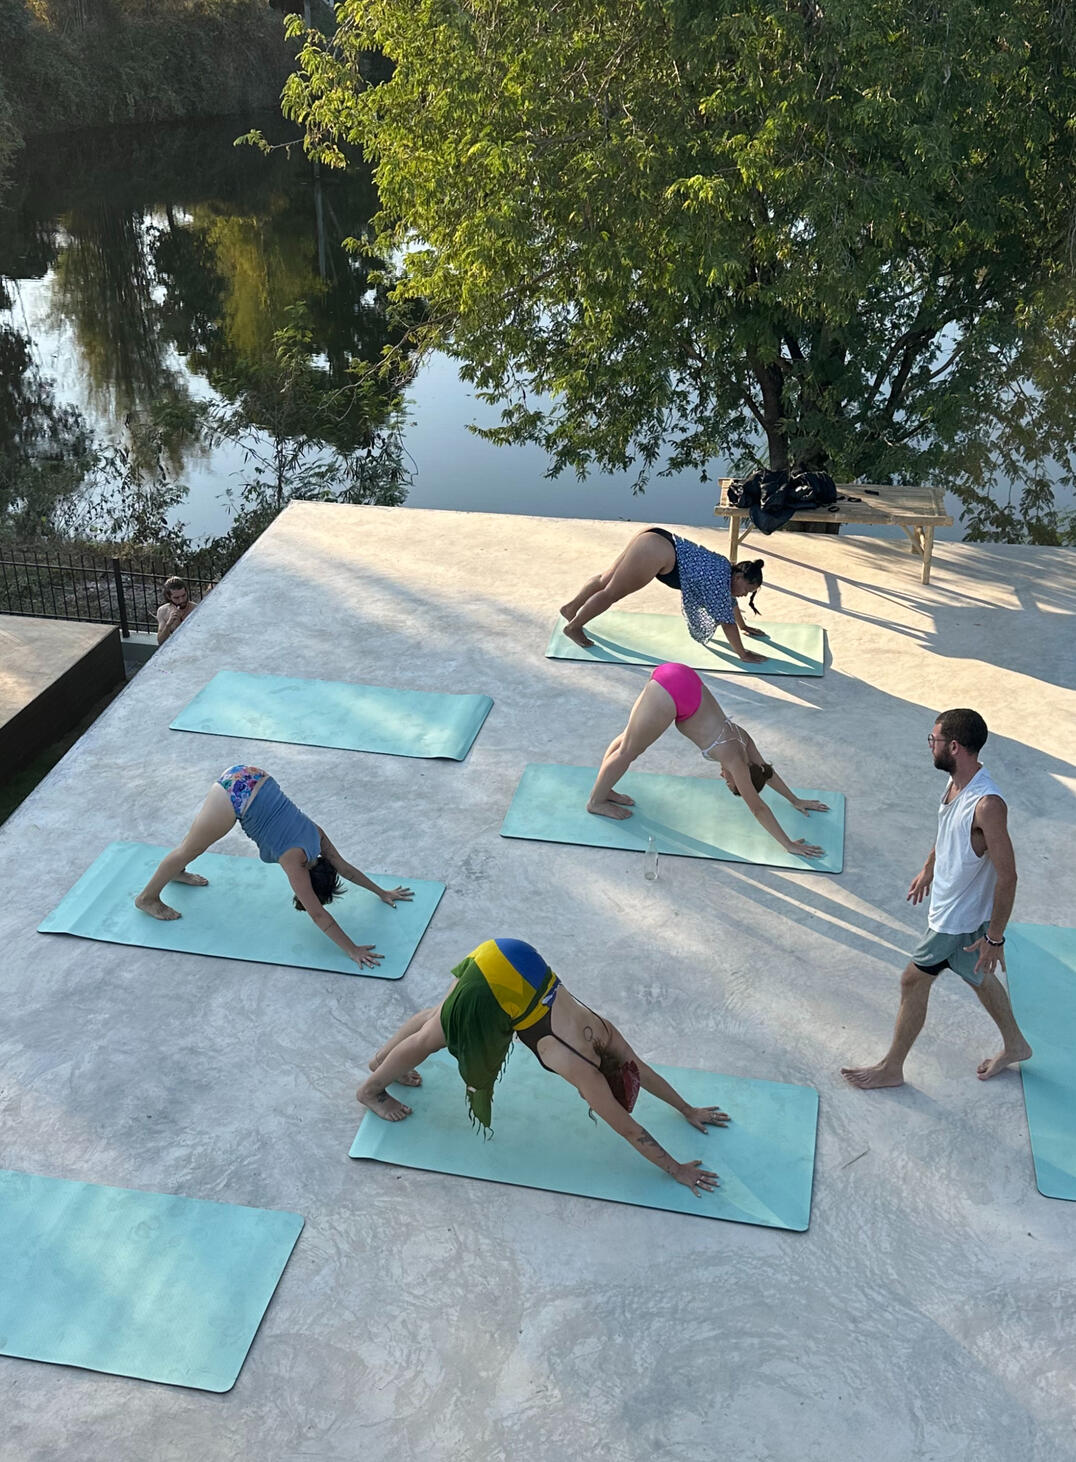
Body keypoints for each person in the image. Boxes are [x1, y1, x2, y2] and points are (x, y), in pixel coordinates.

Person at [357, 937, 731, 1197]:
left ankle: (382, 1060)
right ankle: (371, 1089)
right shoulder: (582, 1070)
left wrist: (687, 1109)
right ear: (604, 1085)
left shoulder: (605, 1036)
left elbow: (643, 1071)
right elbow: (630, 1130)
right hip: (499, 986)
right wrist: (677, 1169)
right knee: (435, 1037)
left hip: (512, 955)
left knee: (439, 1017)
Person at [842, 709, 1031, 1089]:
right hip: (954, 908)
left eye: (934, 740)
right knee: (975, 974)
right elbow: (947, 829)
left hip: (955, 919)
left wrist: (994, 938)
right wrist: (929, 867)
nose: (930, 746)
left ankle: (892, 1068)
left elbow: (1008, 876)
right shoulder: (955, 785)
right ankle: (1016, 1044)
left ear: (955, 747)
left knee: (913, 981)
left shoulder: (987, 805)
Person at [135, 765, 413, 969]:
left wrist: (382, 892)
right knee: (190, 847)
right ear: (310, 879)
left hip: (253, 776)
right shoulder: (295, 862)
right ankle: (147, 898)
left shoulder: (317, 837)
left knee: (194, 844)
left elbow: (345, 868)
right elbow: (318, 915)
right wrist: (352, 949)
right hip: (235, 795)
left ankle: (177, 871)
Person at [585, 661, 830, 860]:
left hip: (684, 678)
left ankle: (606, 790)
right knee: (629, 751)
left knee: (630, 738)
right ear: (741, 775)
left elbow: (768, 772)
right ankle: (596, 801)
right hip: (674, 691)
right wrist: (788, 844)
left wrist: (795, 799)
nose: (724, 778)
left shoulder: (744, 740)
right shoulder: (734, 760)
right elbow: (758, 807)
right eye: (730, 783)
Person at [559, 526, 768, 661]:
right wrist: (743, 654)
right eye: (747, 591)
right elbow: (727, 621)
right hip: (657, 552)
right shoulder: (718, 581)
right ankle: (574, 627)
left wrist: (745, 626)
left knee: (606, 579)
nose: (743, 596)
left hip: (655, 537)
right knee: (611, 592)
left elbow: (729, 605)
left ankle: (571, 609)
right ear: (739, 578)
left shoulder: (725, 567)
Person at [156, 576, 196, 646]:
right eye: (176, 598)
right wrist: (168, 624)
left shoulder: (196, 609)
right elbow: (160, 641)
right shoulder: (163, 611)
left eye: (184, 595)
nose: (181, 600)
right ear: (169, 597)